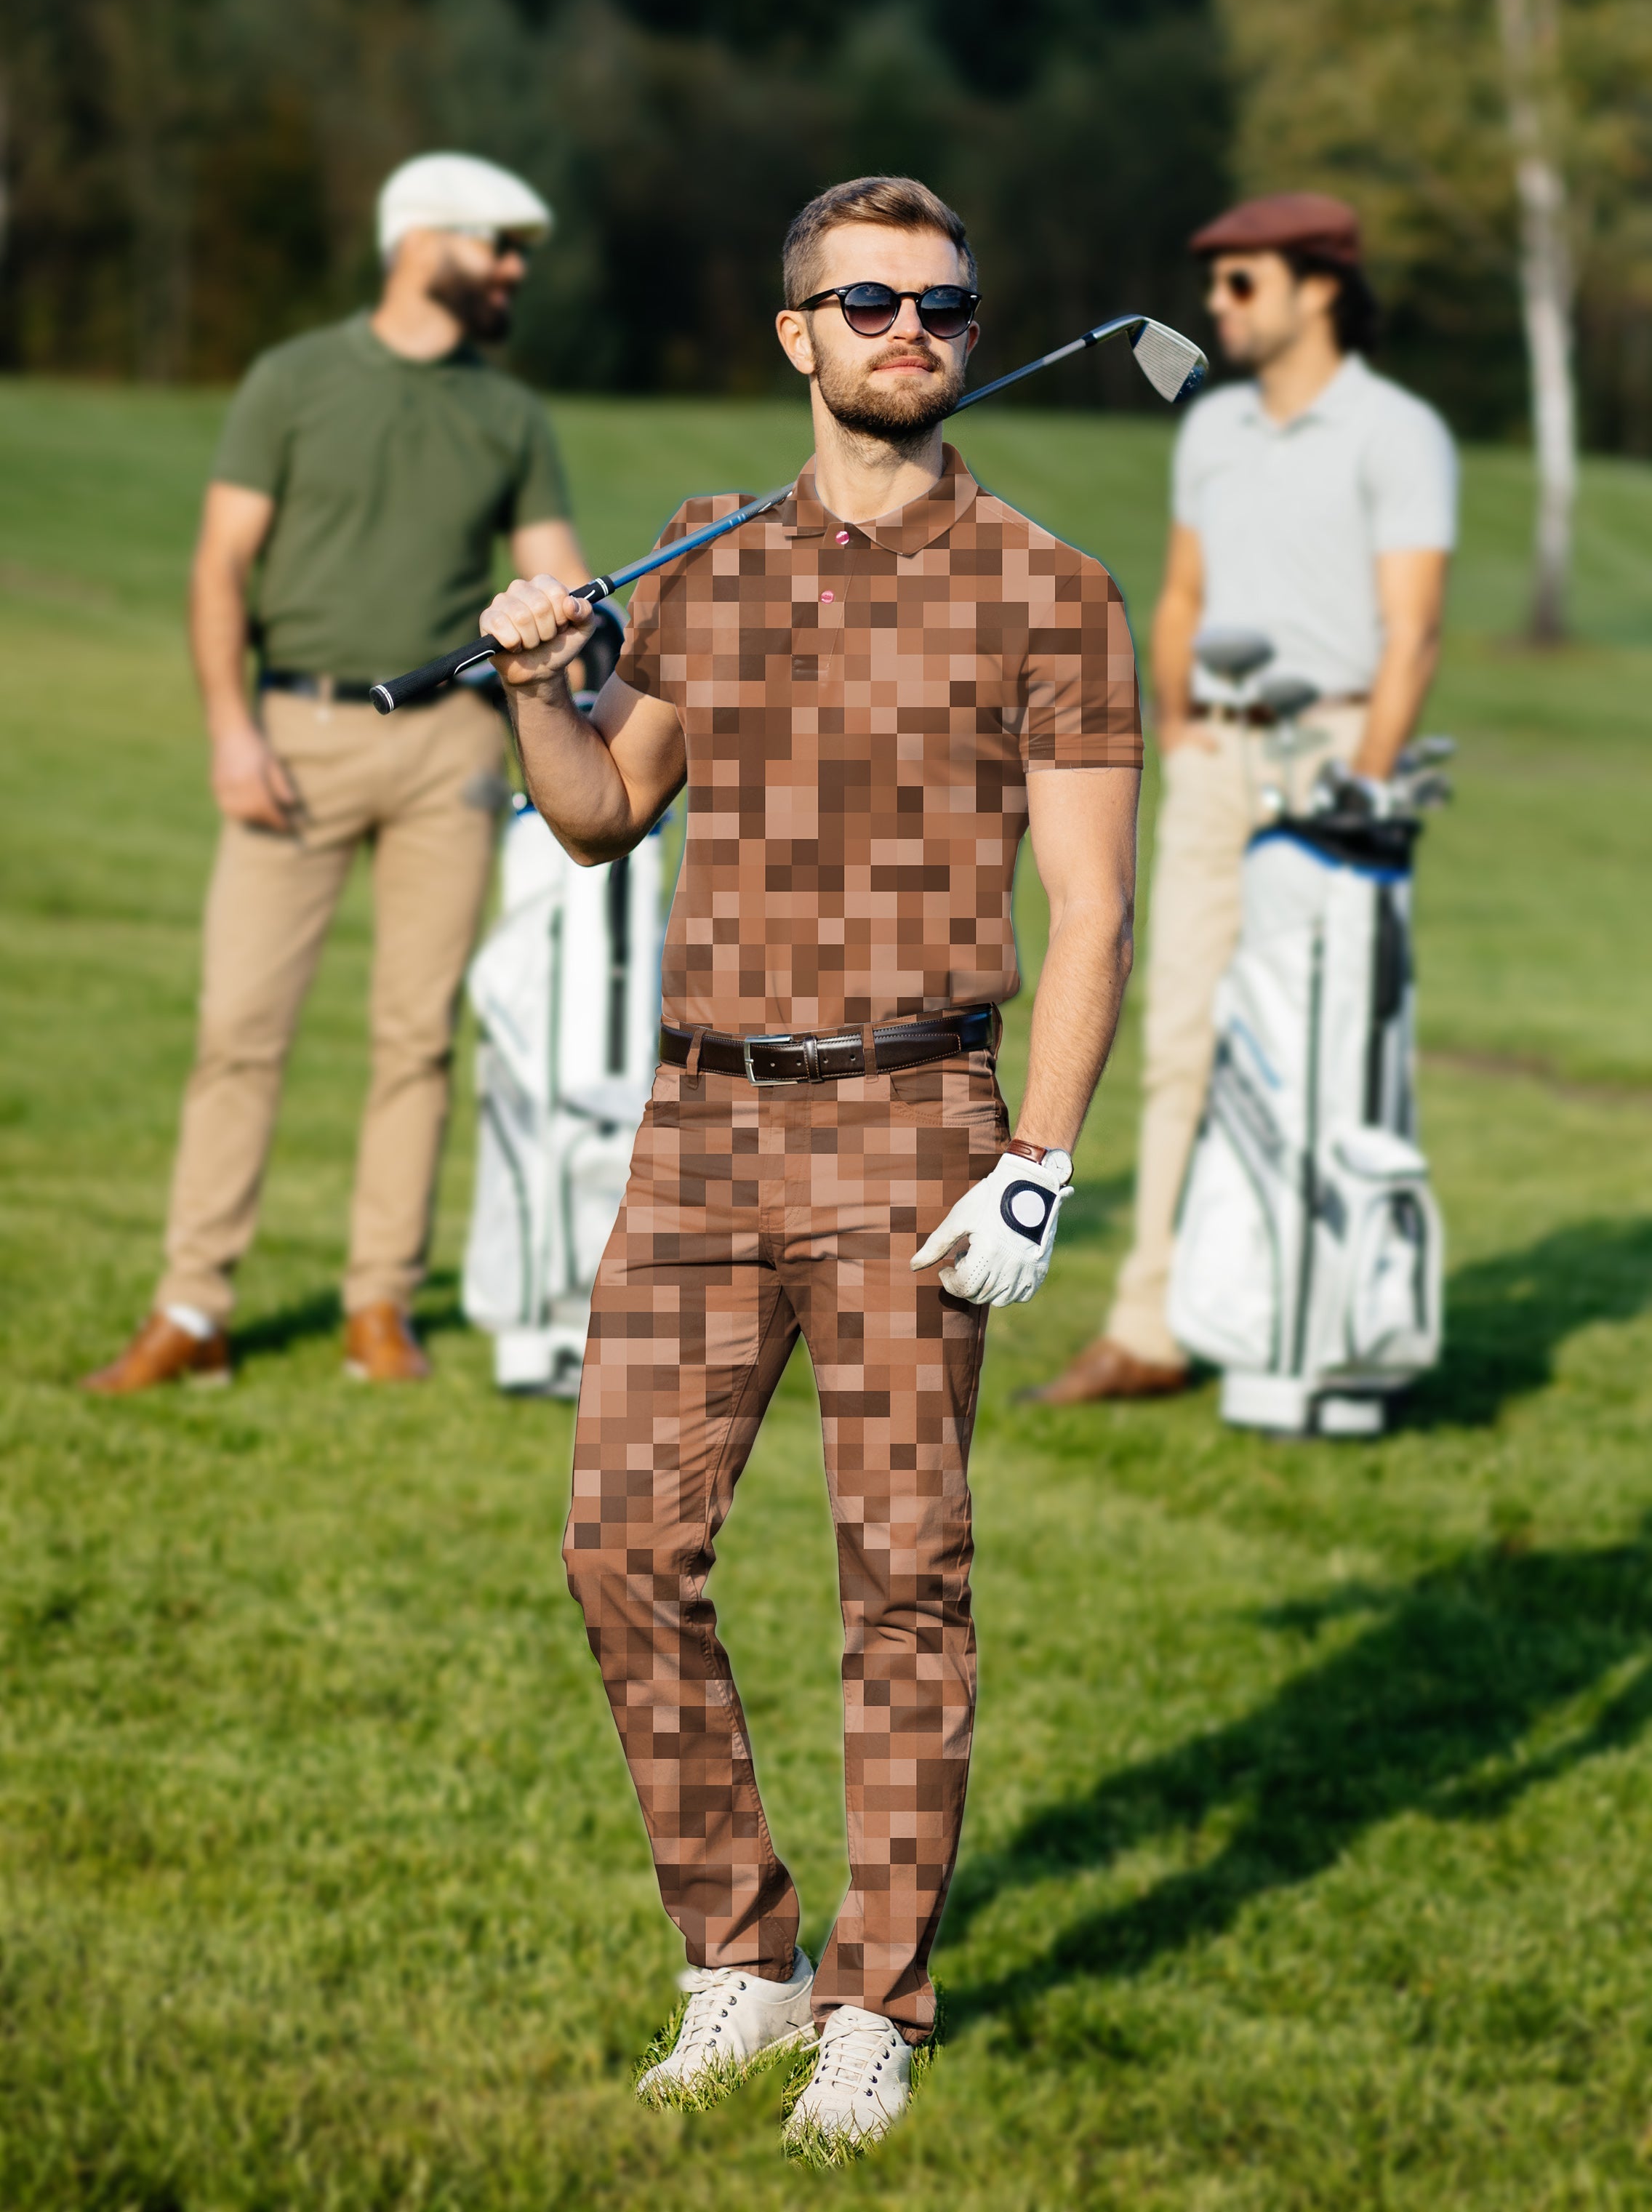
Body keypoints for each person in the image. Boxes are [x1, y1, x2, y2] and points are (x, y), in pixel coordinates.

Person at [477, 175, 1142, 2157]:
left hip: (915, 1129)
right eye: (867, 302)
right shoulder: (707, 562)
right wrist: (534, 684)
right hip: (700, 1126)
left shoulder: (1050, 589)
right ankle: (740, 1954)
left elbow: (1095, 907)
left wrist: (1040, 1157)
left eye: (942, 303)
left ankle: (875, 2002)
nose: (910, 329)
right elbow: (599, 813)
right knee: (620, 1544)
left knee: (902, 1575)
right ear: (798, 337)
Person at [81, 152, 586, 1394]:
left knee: (416, 1037)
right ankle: (193, 1307)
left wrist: (588, 636)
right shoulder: (292, 380)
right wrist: (230, 730)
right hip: (293, 734)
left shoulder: (511, 415)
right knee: (239, 1028)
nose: (514, 270)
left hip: (452, 749)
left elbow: (564, 577)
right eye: (497, 246)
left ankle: (379, 1308)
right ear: (420, 242)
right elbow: (220, 566)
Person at [1028, 191, 1456, 1407]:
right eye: (1213, 282)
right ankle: (1153, 1326)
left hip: (1336, 758)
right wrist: (1180, 724)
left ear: (1320, 288)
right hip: (1217, 759)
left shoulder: (1399, 432)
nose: (1216, 304)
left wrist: (1364, 785)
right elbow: (1182, 595)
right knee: (1180, 1041)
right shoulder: (1212, 429)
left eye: (1242, 281)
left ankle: (1318, 1318)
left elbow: (1414, 632)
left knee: (1322, 1049)